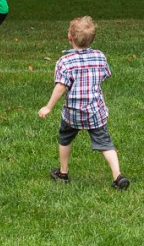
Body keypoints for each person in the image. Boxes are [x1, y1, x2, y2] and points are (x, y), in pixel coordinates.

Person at [37, 16, 129, 190]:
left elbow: (60, 87)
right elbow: (104, 75)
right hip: (95, 111)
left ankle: (63, 173)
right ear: (92, 39)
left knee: (65, 138)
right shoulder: (100, 56)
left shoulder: (64, 62)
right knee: (105, 143)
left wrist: (48, 107)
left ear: (69, 37)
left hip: (73, 113)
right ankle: (118, 176)